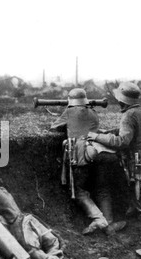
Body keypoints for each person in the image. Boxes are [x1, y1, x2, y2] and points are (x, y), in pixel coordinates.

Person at [87, 82, 141, 258]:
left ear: (123, 100)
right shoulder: (140, 111)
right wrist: (107, 132)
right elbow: (129, 132)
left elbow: (123, 141)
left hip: (138, 166)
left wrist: (96, 136)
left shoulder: (128, 115)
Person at [50, 88, 126, 235]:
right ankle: (109, 223)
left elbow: (54, 127)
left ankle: (99, 219)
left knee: (78, 191)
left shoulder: (70, 112)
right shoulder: (92, 112)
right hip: (102, 151)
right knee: (102, 189)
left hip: (83, 153)